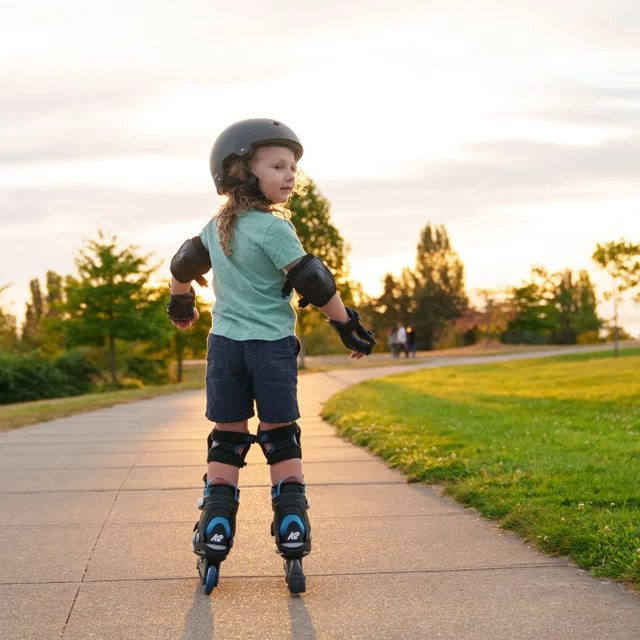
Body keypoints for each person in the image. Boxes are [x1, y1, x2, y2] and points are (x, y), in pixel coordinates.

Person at [166, 119, 376, 595]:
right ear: (242, 172)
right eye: (278, 166)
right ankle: (292, 530)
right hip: (272, 351)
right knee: (280, 438)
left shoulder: (216, 227)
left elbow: (182, 264)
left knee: (227, 438)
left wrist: (182, 306)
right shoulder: (274, 229)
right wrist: (348, 326)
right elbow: (313, 281)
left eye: (293, 168)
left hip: (224, 349)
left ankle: (216, 531)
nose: (290, 175)